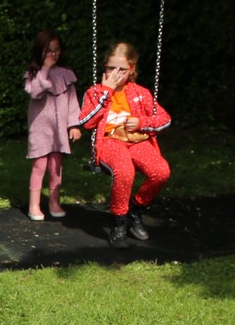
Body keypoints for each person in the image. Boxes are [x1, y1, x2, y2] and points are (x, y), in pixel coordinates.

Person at [78, 41, 172, 250]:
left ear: (132, 70)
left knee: (161, 171)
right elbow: (87, 122)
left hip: (136, 139)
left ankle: (135, 210)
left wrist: (141, 122)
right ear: (105, 68)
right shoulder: (95, 92)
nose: (116, 74)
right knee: (124, 171)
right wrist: (107, 92)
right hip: (110, 140)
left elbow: (165, 119)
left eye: (122, 69)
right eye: (111, 68)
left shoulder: (140, 93)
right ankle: (119, 221)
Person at [23, 29, 82, 221]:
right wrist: (45, 70)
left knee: (56, 167)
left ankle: (54, 202)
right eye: (48, 50)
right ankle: (34, 205)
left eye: (56, 50)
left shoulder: (66, 74)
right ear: (39, 51)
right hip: (40, 129)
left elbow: (72, 102)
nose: (53, 54)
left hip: (59, 129)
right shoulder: (33, 75)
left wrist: (74, 125)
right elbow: (35, 92)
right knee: (39, 165)